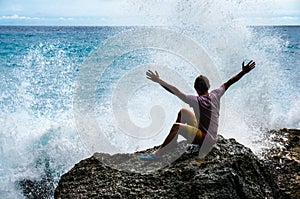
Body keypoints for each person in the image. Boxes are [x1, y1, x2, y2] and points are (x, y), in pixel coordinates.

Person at [140, 60, 255, 160]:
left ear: (196, 89)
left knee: (177, 127)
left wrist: (159, 81)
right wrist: (243, 72)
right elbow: (230, 82)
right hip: (207, 134)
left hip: (206, 139)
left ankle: (158, 153)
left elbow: (175, 91)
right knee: (183, 112)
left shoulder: (196, 100)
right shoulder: (216, 94)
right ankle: (173, 143)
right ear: (208, 86)